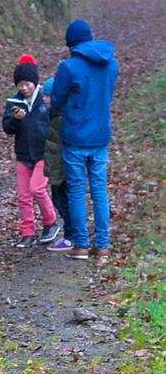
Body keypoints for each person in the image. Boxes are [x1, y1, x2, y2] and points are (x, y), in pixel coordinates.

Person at [50, 19, 120, 262]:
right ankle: (103, 245)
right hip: (100, 136)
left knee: (77, 191)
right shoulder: (112, 65)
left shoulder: (68, 67)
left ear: (71, 44)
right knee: (99, 190)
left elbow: (56, 100)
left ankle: (80, 244)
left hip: (75, 137)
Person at [2, 53, 60, 248]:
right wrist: (15, 119)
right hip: (23, 154)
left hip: (44, 153)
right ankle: (27, 232)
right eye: (20, 84)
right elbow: (7, 128)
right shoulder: (14, 102)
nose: (24, 88)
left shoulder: (45, 99)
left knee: (37, 189)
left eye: (27, 84)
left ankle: (50, 222)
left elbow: (57, 122)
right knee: (23, 196)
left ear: (34, 82)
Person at [41, 76, 74, 252]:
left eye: (48, 96)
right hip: (56, 168)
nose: (45, 99)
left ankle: (71, 236)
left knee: (65, 201)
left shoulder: (62, 118)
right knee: (59, 200)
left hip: (63, 169)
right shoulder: (51, 114)